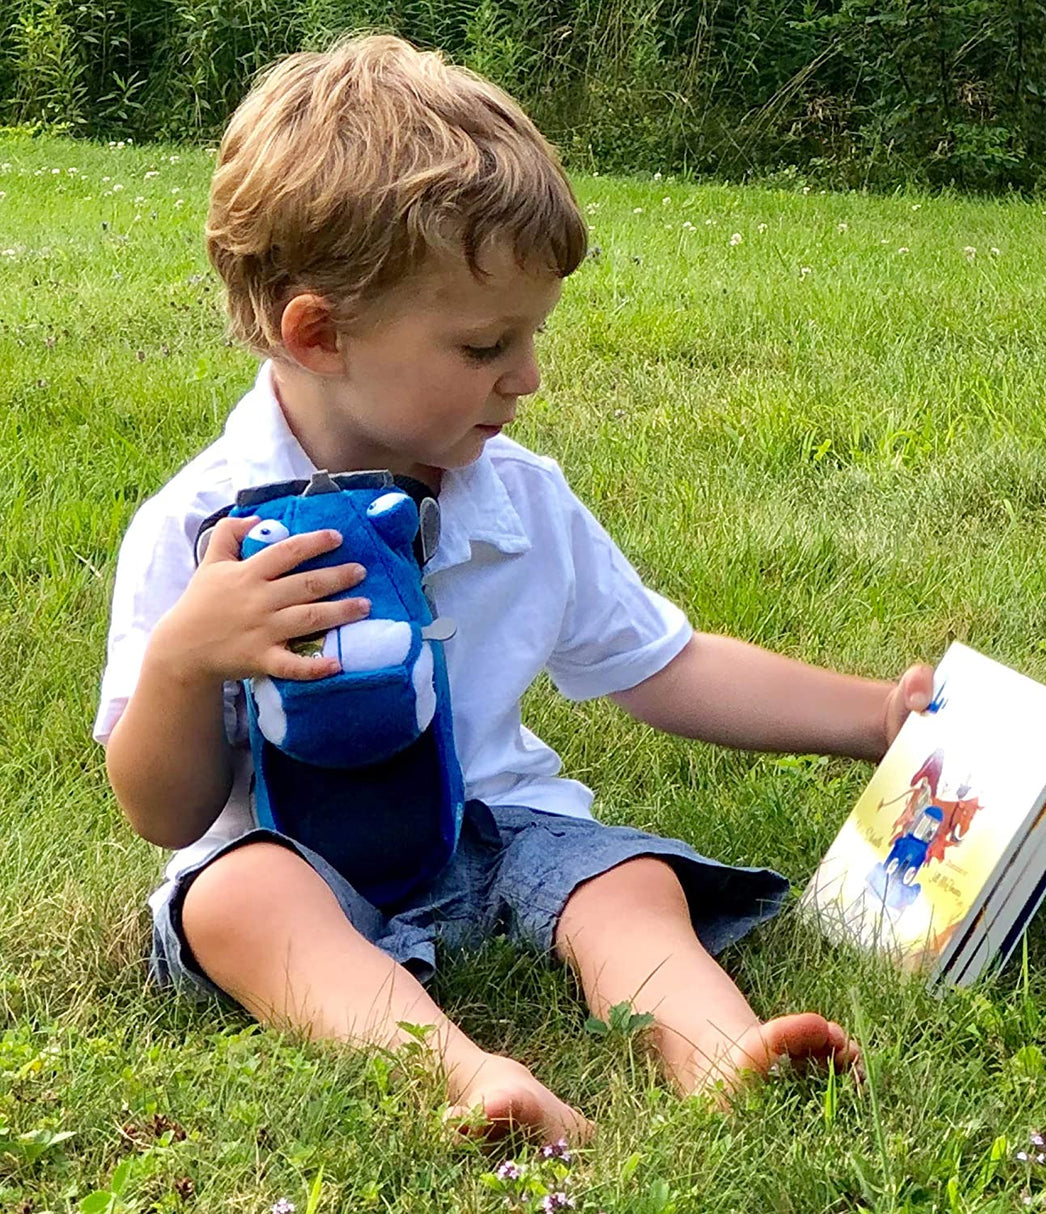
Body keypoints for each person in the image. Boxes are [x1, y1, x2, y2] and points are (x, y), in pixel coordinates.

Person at [96, 34, 934, 1145]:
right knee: (237, 898)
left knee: (624, 880)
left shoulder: (517, 500)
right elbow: (163, 812)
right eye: (487, 343)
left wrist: (875, 718)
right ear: (318, 331)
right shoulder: (199, 529)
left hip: (494, 830)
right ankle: (457, 1071)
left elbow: (664, 664)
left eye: (530, 336)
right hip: (295, 860)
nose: (527, 377)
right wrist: (185, 658)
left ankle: (719, 1049)